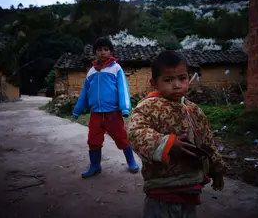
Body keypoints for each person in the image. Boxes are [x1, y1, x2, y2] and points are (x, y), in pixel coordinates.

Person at [127, 50, 228, 217]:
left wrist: (216, 169)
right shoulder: (147, 107)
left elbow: (208, 141)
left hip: (191, 184)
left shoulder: (194, 110)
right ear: (154, 83)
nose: (177, 85)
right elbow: (135, 132)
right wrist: (166, 143)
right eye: (168, 80)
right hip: (162, 186)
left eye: (182, 78)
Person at [72, 37, 139, 179]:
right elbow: (85, 93)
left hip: (113, 113)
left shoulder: (116, 68)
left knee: (121, 137)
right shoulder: (91, 71)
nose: (102, 52)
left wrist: (125, 107)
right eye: (99, 50)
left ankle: (131, 161)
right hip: (95, 113)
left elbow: (123, 89)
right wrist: (78, 110)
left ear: (111, 52)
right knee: (93, 140)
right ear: (95, 52)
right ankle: (95, 166)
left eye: (106, 49)